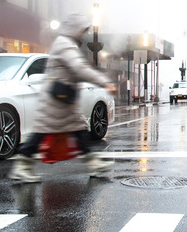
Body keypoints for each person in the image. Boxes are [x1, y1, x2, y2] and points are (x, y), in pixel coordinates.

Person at [8, 13, 117, 183]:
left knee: (77, 130)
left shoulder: (66, 43)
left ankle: (93, 163)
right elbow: (79, 68)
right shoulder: (65, 44)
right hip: (56, 101)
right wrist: (104, 82)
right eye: (82, 30)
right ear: (75, 29)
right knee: (43, 132)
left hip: (63, 99)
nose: (83, 33)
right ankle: (22, 166)